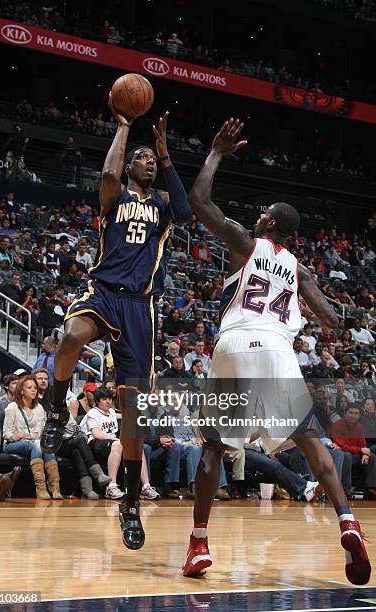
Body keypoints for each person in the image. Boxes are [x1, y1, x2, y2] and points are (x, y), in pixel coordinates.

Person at [181, 118, 371, 585]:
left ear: (267, 223)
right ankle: (348, 521)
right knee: (311, 444)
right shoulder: (300, 270)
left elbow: (199, 202)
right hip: (278, 349)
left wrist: (216, 154)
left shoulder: (247, 244)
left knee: (212, 448)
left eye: (263, 213)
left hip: (235, 342)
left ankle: (199, 545)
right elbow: (331, 320)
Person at [40, 99, 191, 550]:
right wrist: (124, 128)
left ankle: (129, 504)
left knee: (132, 419)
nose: (145, 163)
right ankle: (55, 408)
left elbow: (185, 210)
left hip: (141, 308)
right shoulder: (115, 198)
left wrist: (165, 156)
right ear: (129, 167)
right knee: (70, 337)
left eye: (150, 160)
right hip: (103, 292)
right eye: (140, 159)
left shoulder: (162, 203)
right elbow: (108, 176)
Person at [3, 375, 63, 500]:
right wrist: (21, 435)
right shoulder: (12, 408)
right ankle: (40, 487)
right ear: (21, 391)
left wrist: (35, 437)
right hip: (13, 444)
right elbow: (6, 434)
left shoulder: (39, 408)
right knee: (36, 444)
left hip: (34, 443)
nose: (33, 390)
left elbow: (41, 431)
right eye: (29, 387)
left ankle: (54, 487)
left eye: (35, 388)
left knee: (45, 446)